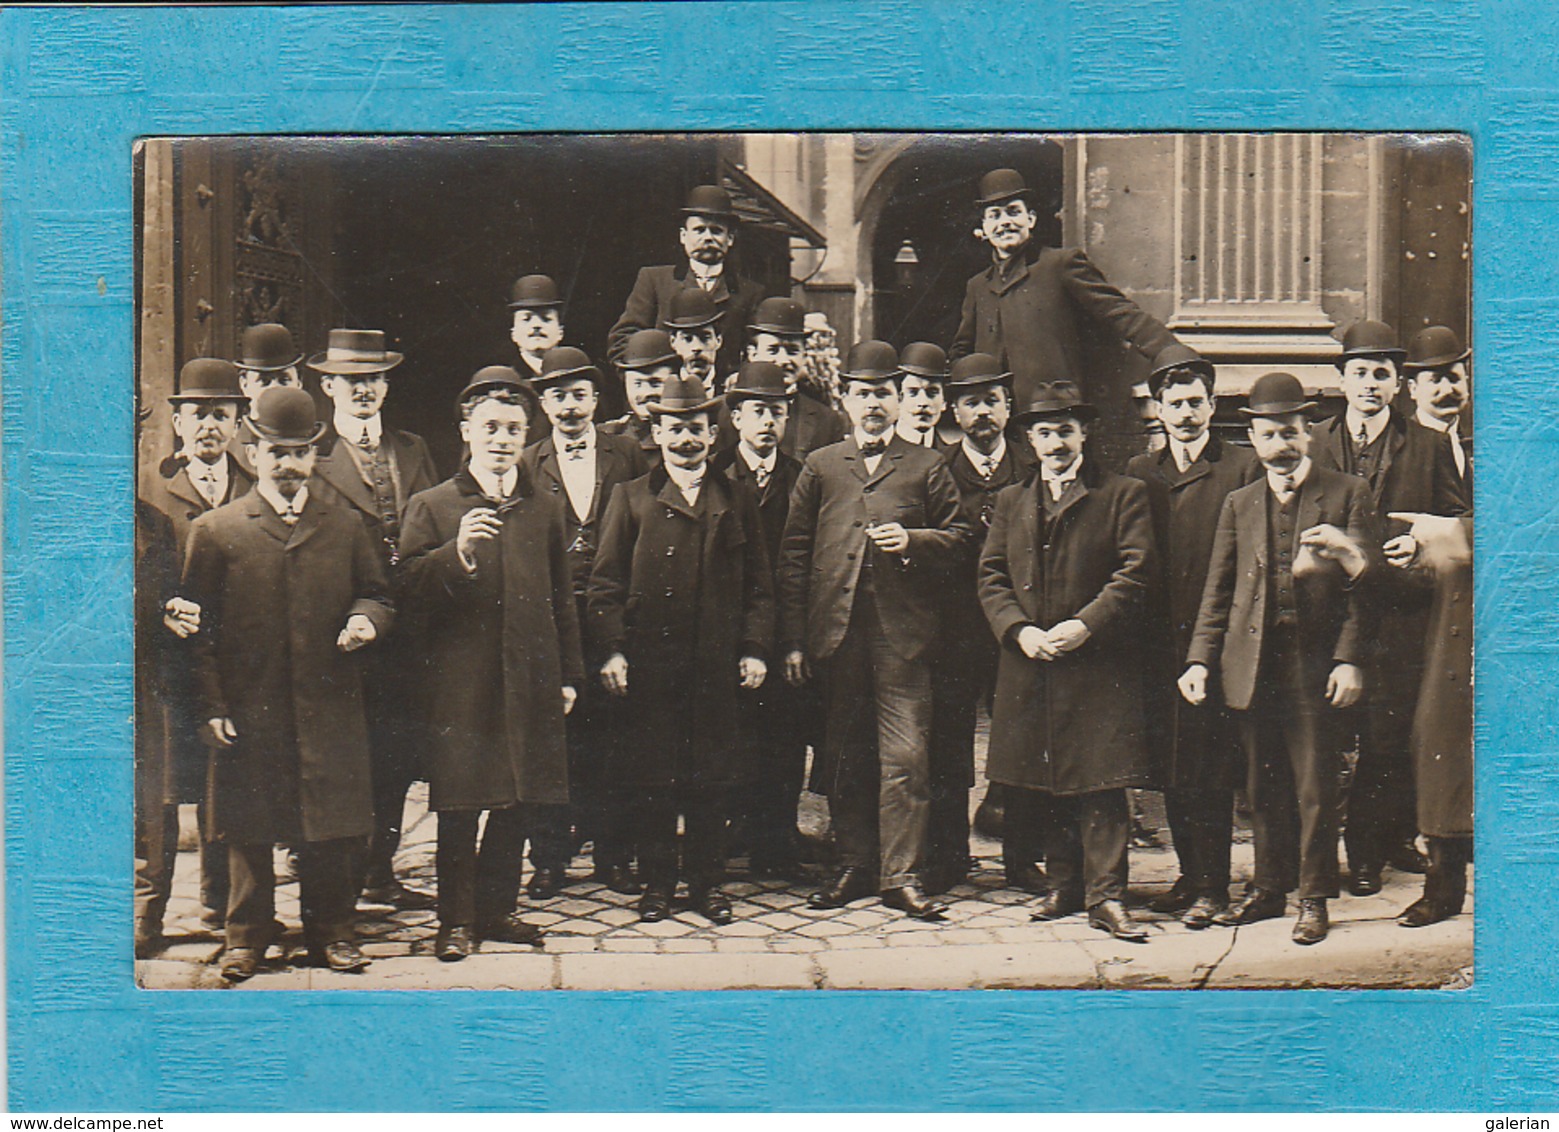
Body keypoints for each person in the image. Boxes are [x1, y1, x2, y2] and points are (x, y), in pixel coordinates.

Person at [182, 387, 395, 981]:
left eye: (300, 453)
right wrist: (212, 704)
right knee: (249, 825)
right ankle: (246, 938)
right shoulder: (217, 529)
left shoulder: (347, 525)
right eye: (276, 451)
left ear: (314, 456)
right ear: (253, 451)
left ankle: (334, 933)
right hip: (252, 706)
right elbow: (196, 631)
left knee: (330, 825)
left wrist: (365, 620)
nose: (288, 464)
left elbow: (378, 593)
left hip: (329, 701)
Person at [1181, 371, 1380, 945]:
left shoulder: (1347, 493)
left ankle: (1313, 898)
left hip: (1313, 665)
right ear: (1255, 440)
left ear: (1309, 432)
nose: (1281, 446)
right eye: (1269, 435)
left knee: (1315, 784)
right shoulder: (1240, 502)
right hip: (1251, 664)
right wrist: (1199, 661)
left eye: (1291, 432)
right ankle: (1270, 889)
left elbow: (1365, 593)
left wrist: (1349, 660)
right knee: (1261, 782)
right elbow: (1218, 591)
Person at [779, 340, 974, 920]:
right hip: (836, 637)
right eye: (862, 394)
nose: (872, 405)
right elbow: (793, 554)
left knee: (907, 757)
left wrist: (914, 541)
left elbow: (963, 539)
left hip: (903, 638)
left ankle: (902, 875)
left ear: (898, 400)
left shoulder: (926, 464)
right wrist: (793, 638)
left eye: (883, 394)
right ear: (844, 398)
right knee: (844, 755)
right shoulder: (821, 464)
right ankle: (853, 866)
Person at [398, 368, 583, 961]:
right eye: (490, 428)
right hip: (462, 684)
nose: (501, 440)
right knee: (460, 804)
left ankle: (499, 910)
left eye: (512, 429)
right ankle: (455, 920)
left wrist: (568, 675)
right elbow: (405, 593)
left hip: (529, 676)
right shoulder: (433, 505)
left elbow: (563, 598)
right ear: (466, 432)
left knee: (519, 800)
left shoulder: (544, 509)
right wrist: (458, 556)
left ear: (526, 435)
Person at [586, 376, 775, 924]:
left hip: (715, 666)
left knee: (712, 780)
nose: (686, 440)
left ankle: (709, 884)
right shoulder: (630, 497)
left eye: (695, 429)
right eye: (674, 429)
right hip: (653, 665)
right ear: (656, 433)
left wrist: (756, 648)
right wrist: (614, 650)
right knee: (655, 780)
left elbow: (760, 587)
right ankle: (659, 885)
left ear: (713, 434)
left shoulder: (735, 497)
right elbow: (604, 585)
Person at [979, 381, 1157, 941]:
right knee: (1047, 774)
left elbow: (1135, 571)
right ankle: (1064, 885)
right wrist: (1019, 630)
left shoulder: (1121, 493)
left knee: (1101, 781)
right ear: (1030, 439)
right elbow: (990, 576)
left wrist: (1085, 625)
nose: (1056, 443)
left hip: (1097, 661)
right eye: (1045, 433)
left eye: (1066, 431)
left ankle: (1107, 896)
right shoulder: (1011, 500)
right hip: (1034, 659)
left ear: (1085, 433)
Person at [1310, 320, 1470, 895]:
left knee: (1385, 738)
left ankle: (1367, 854)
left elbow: (1457, 519)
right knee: (1324, 738)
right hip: (1325, 616)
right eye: (1360, 373)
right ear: (1342, 380)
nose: (1370, 384)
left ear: (1398, 384)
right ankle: (1318, 859)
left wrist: (1422, 541)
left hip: (1399, 617)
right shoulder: (1315, 442)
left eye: (1382, 374)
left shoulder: (1426, 445)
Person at [1126, 344, 1261, 927]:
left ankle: (1216, 887)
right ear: (1157, 409)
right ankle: (1189, 875)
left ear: (1212, 405)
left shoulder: (1241, 467)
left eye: (1196, 402)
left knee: (1211, 766)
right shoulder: (1139, 472)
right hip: (1158, 643)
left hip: (1217, 640)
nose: (1186, 413)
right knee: (1173, 764)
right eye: (1174, 403)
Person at [307, 328, 440, 912]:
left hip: (409, 631)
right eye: (352, 381)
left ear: (386, 386)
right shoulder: (312, 455)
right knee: (345, 755)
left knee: (397, 755)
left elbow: (436, 522)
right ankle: (337, 878)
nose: (364, 391)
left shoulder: (412, 449)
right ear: (329, 386)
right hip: (346, 628)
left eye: (373, 380)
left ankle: (379, 873)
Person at [522, 346, 649, 896]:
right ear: (543, 405)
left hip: (616, 616)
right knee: (552, 739)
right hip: (550, 620)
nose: (569, 406)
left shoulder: (627, 456)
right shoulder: (528, 462)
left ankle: (614, 856)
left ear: (597, 399)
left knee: (617, 739)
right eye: (557, 396)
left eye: (578, 394)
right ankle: (548, 858)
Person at [142, 357, 254, 931]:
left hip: (228, 665)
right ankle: (150, 912)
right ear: (178, 423)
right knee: (163, 789)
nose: (209, 425)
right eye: (197, 415)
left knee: (222, 780)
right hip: (167, 665)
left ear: (238, 422)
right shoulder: (152, 492)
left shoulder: (253, 490)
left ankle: (217, 903)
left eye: (220, 413)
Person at [929, 352, 1036, 894]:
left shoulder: (1031, 466)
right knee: (949, 742)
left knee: (1017, 739)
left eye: (992, 401)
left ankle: (1022, 857)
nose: (982, 414)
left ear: (1008, 405)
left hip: (1016, 626)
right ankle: (949, 856)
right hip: (955, 628)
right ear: (955, 410)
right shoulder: (938, 471)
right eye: (971, 403)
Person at [949, 168, 1180, 409]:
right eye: (994, 215)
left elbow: (1122, 315)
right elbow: (961, 352)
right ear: (984, 228)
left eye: (1013, 212)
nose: (1004, 222)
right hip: (1001, 430)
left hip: (1058, 421)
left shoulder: (1060, 265)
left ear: (1031, 219)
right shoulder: (978, 287)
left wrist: (1176, 358)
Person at [712, 362, 810, 879]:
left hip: (786, 630)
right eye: (757, 411)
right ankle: (736, 829)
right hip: (733, 629)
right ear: (735, 418)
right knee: (736, 734)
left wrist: (794, 638)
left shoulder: (802, 477)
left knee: (785, 735)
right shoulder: (717, 475)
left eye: (777, 411)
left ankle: (779, 838)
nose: (767, 422)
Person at [1384, 511, 1473, 927]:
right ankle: (1442, 892)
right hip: (1452, 661)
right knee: (1442, 770)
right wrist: (1418, 554)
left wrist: (1455, 532)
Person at [607, 184, 768, 381]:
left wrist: (741, 379)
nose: (708, 237)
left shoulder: (750, 293)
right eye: (699, 230)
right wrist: (649, 380)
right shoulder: (654, 281)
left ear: (730, 238)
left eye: (716, 231)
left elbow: (758, 351)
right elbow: (622, 341)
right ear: (683, 236)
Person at [719, 296, 845, 462]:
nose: (784, 360)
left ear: (804, 355)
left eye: (792, 350)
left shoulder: (827, 421)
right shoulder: (723, 413)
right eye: (773, 350)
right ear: (753, 354)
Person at [601, 328, 679, 470]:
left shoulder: (690, 434)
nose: (645, 392)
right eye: (637, 383)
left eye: (655, 383)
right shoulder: (609, 437)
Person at [1404, 325, 1472, 481]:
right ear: (1413, 389)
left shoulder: (1479, 442)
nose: (1447, 390)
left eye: (1454, 378)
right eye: (1435, 380)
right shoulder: (1400, 445)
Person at [663, 288, 725, 392]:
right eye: (687, 339)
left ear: (718, 340)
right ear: (673, 342)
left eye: (705, 338)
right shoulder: (664, 389)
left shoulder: (730, 386)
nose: (697, 347)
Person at [507, 274, 566, 381]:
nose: (536, 325)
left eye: (546, 318)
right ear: (513, 334)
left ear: (560, 332)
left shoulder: (577, 380)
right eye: (526, 319)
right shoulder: (507, 382)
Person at [895, 342, 951, 448]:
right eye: (913, 392)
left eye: (932, 393)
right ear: (898, 400)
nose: (923, 403)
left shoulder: (950, 458)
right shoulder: (877, 453)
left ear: (944, 402)